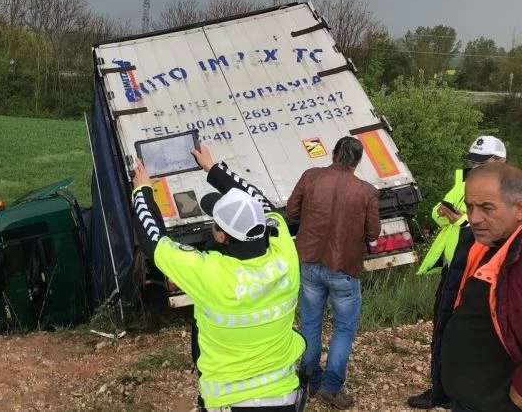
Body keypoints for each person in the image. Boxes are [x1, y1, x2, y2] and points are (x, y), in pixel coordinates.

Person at [131, 144, 306, 411]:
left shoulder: (209, 273)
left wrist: (142, 190)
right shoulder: (284, 252)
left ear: (221, 236)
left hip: (229, 403)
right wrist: (214, 169)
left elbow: (153, 241)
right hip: (284, 397)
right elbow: (258, 200)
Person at [408, 135, 507, 409]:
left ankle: (466, 394)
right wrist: (445, 215)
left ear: (500, 161)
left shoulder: (510, 193)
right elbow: (438, 214)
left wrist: (463, 221)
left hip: (485, 274)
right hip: (455, 268)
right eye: (472, 163)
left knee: (481, 336)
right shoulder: (465, 184)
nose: (475, 168)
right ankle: (441, 389)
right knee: (444, 330)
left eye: (481, 163)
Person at [285, 136, 380, 410]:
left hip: (309, 261)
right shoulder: (367, 192)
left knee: (311, 324)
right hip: (344, 268)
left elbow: (292, 210)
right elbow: (373, 232)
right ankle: (330, 387)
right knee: (344, 328)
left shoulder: (311, 177)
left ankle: (309, 382)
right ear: (358, 160)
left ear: (334, 154)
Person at [440, 163, 522, 412]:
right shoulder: (493, 244)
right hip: (472, 397)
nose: (474, 218)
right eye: (470, 207)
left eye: (487, 208)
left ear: (519, 208)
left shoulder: (518, 260)